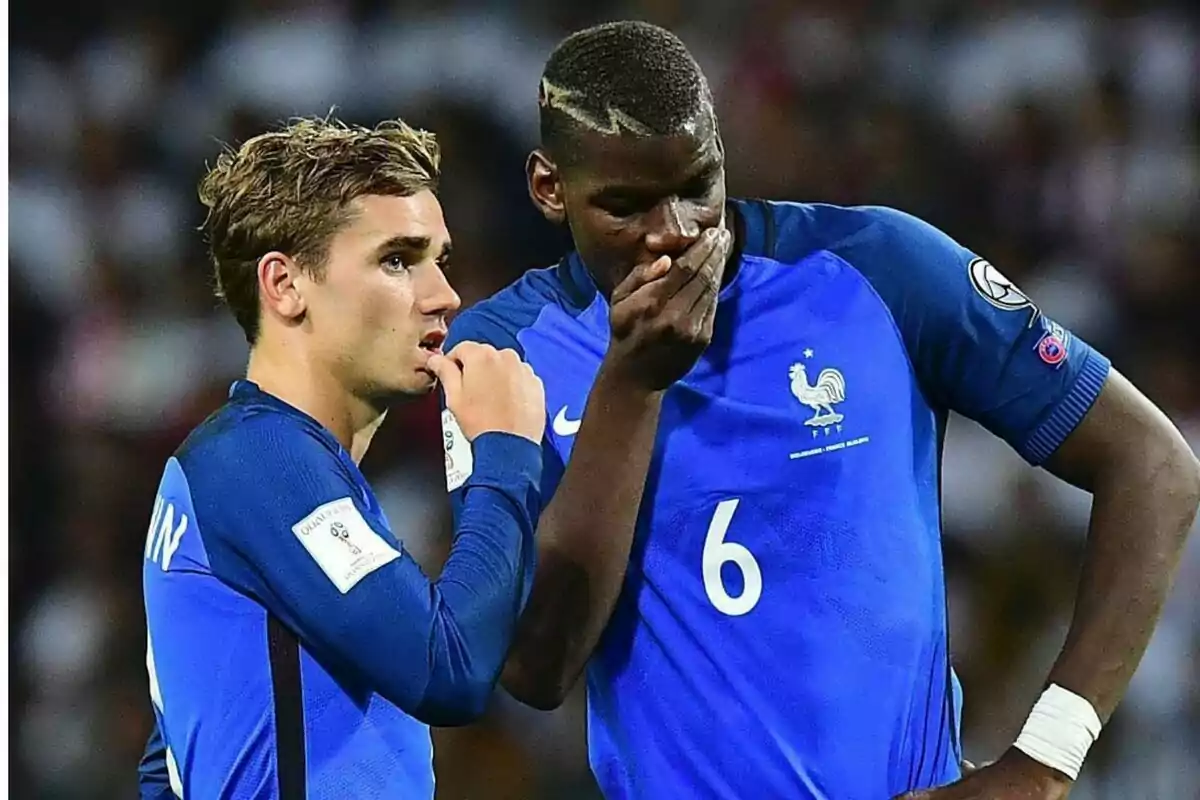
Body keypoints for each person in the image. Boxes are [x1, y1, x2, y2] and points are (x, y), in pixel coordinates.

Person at [442, 20, 1200, 800]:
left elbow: (1154, 464)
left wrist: (1043, 761)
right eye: (626, 206)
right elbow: (536, 667)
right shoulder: (502, 353)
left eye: (697, 186)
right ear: (548, 187)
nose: (674, 233)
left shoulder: (876, 270)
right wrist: (632, 386)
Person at [137, 117, 546, 799]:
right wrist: (503, 455)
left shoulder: (256, 466)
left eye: (439, 258)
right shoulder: (262, 464)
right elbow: (450, 671)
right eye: (397, 259)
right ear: (286, 286)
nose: (443, 293)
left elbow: (168, 764)